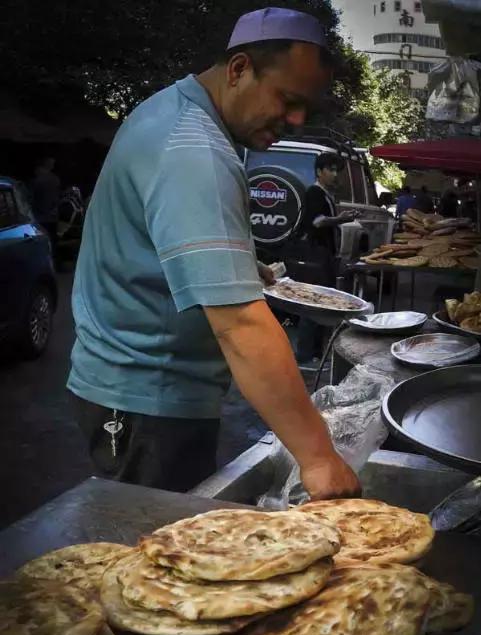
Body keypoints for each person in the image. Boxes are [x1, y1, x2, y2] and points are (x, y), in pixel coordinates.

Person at [67, 7, 360, 501]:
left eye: (306, 108)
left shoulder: (173, 112)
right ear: (240, 69)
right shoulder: (193, 148)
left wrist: (242, 266)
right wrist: (319, 457)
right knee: (160, 565)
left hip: (143, 394)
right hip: (147, 399)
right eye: (288, 101)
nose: (295, 121)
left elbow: (160, 242)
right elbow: (240, 324)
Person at [296, 153, 358, 364]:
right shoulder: (314, 192)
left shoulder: (325, 193)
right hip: (316, 254)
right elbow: (318, 222)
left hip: (326, 253)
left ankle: (315, 352)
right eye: (330, 170)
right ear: (319, 171)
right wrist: (340, 219)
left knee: (322, 304)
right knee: (313, 303)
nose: (334, 174)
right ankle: (305, 354)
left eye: (336, 170)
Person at [30, 156, 61, 250]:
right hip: (51, 216)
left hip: (39, 217)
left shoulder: (36, 181)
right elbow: (57, 198)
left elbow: (30, 198)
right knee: (52, 241)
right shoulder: (55, 179)